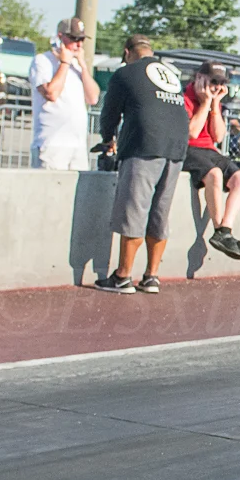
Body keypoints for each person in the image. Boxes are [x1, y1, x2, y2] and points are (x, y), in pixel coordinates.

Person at [93, 35, 189, 293]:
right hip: (177, 147)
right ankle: (152, 276)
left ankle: (123, 276)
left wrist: (108, 139)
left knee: (134, 209)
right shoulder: (170, 74)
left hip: (144, 144)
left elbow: (110, 113)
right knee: (160, 211)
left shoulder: (125, 73)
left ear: (127, 52)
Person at [183, 61, 240, 260]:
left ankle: (224, 230)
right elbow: (192, 133)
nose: (217, 87)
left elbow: (218, 136)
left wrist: (214, 104)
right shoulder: (185, 97)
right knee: (214, 174)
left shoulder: (216, 101)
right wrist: (205, 103)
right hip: (188, 148)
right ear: (199, 77)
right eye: (213, 82)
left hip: (209, 150)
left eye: (221, 83)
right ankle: (219, 229)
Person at [28, 17, 100, 170]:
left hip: (77, 145)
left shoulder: (77, 66)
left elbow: (93, 97)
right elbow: (51, 94)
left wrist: (83, 66)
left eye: (81, 39)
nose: (78, 44)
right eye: (74, 39)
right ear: (60, 37)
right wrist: (64, 63)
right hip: (51, 144)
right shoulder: (42, 61)